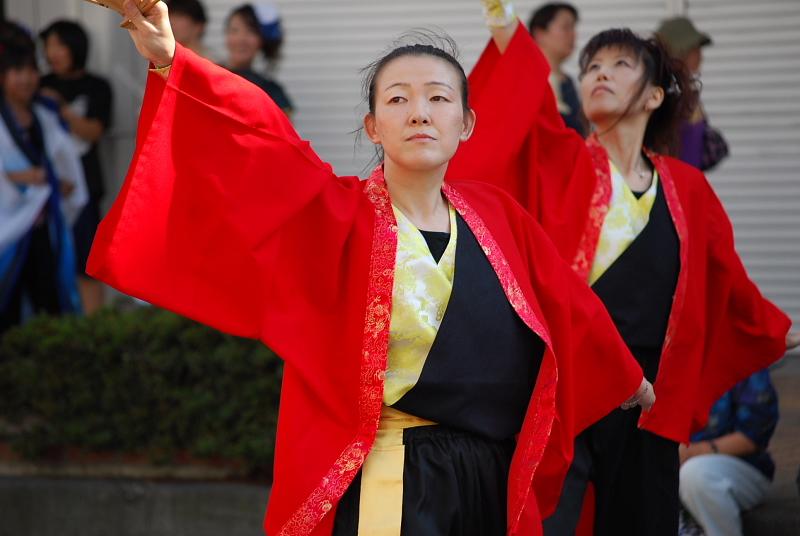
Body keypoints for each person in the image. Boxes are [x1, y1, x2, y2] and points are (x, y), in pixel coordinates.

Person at [88, 1, 659, 534]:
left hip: (489, 473)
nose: (419, 113)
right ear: (372, 127)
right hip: (392, 472)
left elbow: (565, 298)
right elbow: (259, 142)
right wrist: (170, 59)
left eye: (438, 98)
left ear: (466, 123)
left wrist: (624, 373)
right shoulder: (337, 213)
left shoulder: (498, 215)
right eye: (397, 100)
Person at [447, 3, 798, 534]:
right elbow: (521, 102)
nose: (600, 74)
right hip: (569, 388)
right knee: (553, 521)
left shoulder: (688, 187)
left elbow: (725, 279)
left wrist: (777, 330)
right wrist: (502, 18)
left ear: (655, 96)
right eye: (591, 67)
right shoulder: (561, 158)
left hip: (652, 398)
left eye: (619, 65)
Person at [0, 21, 87, 332]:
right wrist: (21, 178)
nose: (26, 78)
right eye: (17, 71)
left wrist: (55, 182)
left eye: (31, 70)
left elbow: (65, 166)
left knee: (49, 305)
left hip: (43, 229)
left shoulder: (45, 116)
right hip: (7, 233)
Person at [39, 20, 113, 315]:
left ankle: (92, 327)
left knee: (87, 261)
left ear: (76, 47)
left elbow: (94, 131)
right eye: (48, 46)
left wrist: (62, 109)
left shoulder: (97, 86)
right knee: (47, 261)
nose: (52, 53)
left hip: (86, 185)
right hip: (44, 187)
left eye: (60, 45)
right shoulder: (40, 84)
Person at [679, 369, 779, 536]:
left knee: (694, 474)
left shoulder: (744, 354)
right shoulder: (670, 355)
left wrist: (694, 452)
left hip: (741, 466)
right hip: (680, 467)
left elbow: (755, 435)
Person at [656, 16, 728, 171]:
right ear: (680, 52)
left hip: (690, 185)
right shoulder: (663, 96)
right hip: (674, 187)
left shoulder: (685, 91)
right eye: (695, 49)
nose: (700, 55)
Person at [528, 2, 586, 137]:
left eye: (573, 28)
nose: (573, 35)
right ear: (540, 33)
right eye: (566, 28)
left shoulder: (570, 82)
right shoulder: (526, 80)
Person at [224, 3, 293, 115]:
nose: (241, 39)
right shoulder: (209, 77)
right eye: (234, 30)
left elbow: (283, 130)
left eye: (250, 31)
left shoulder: (272, 92)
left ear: (262, 40)